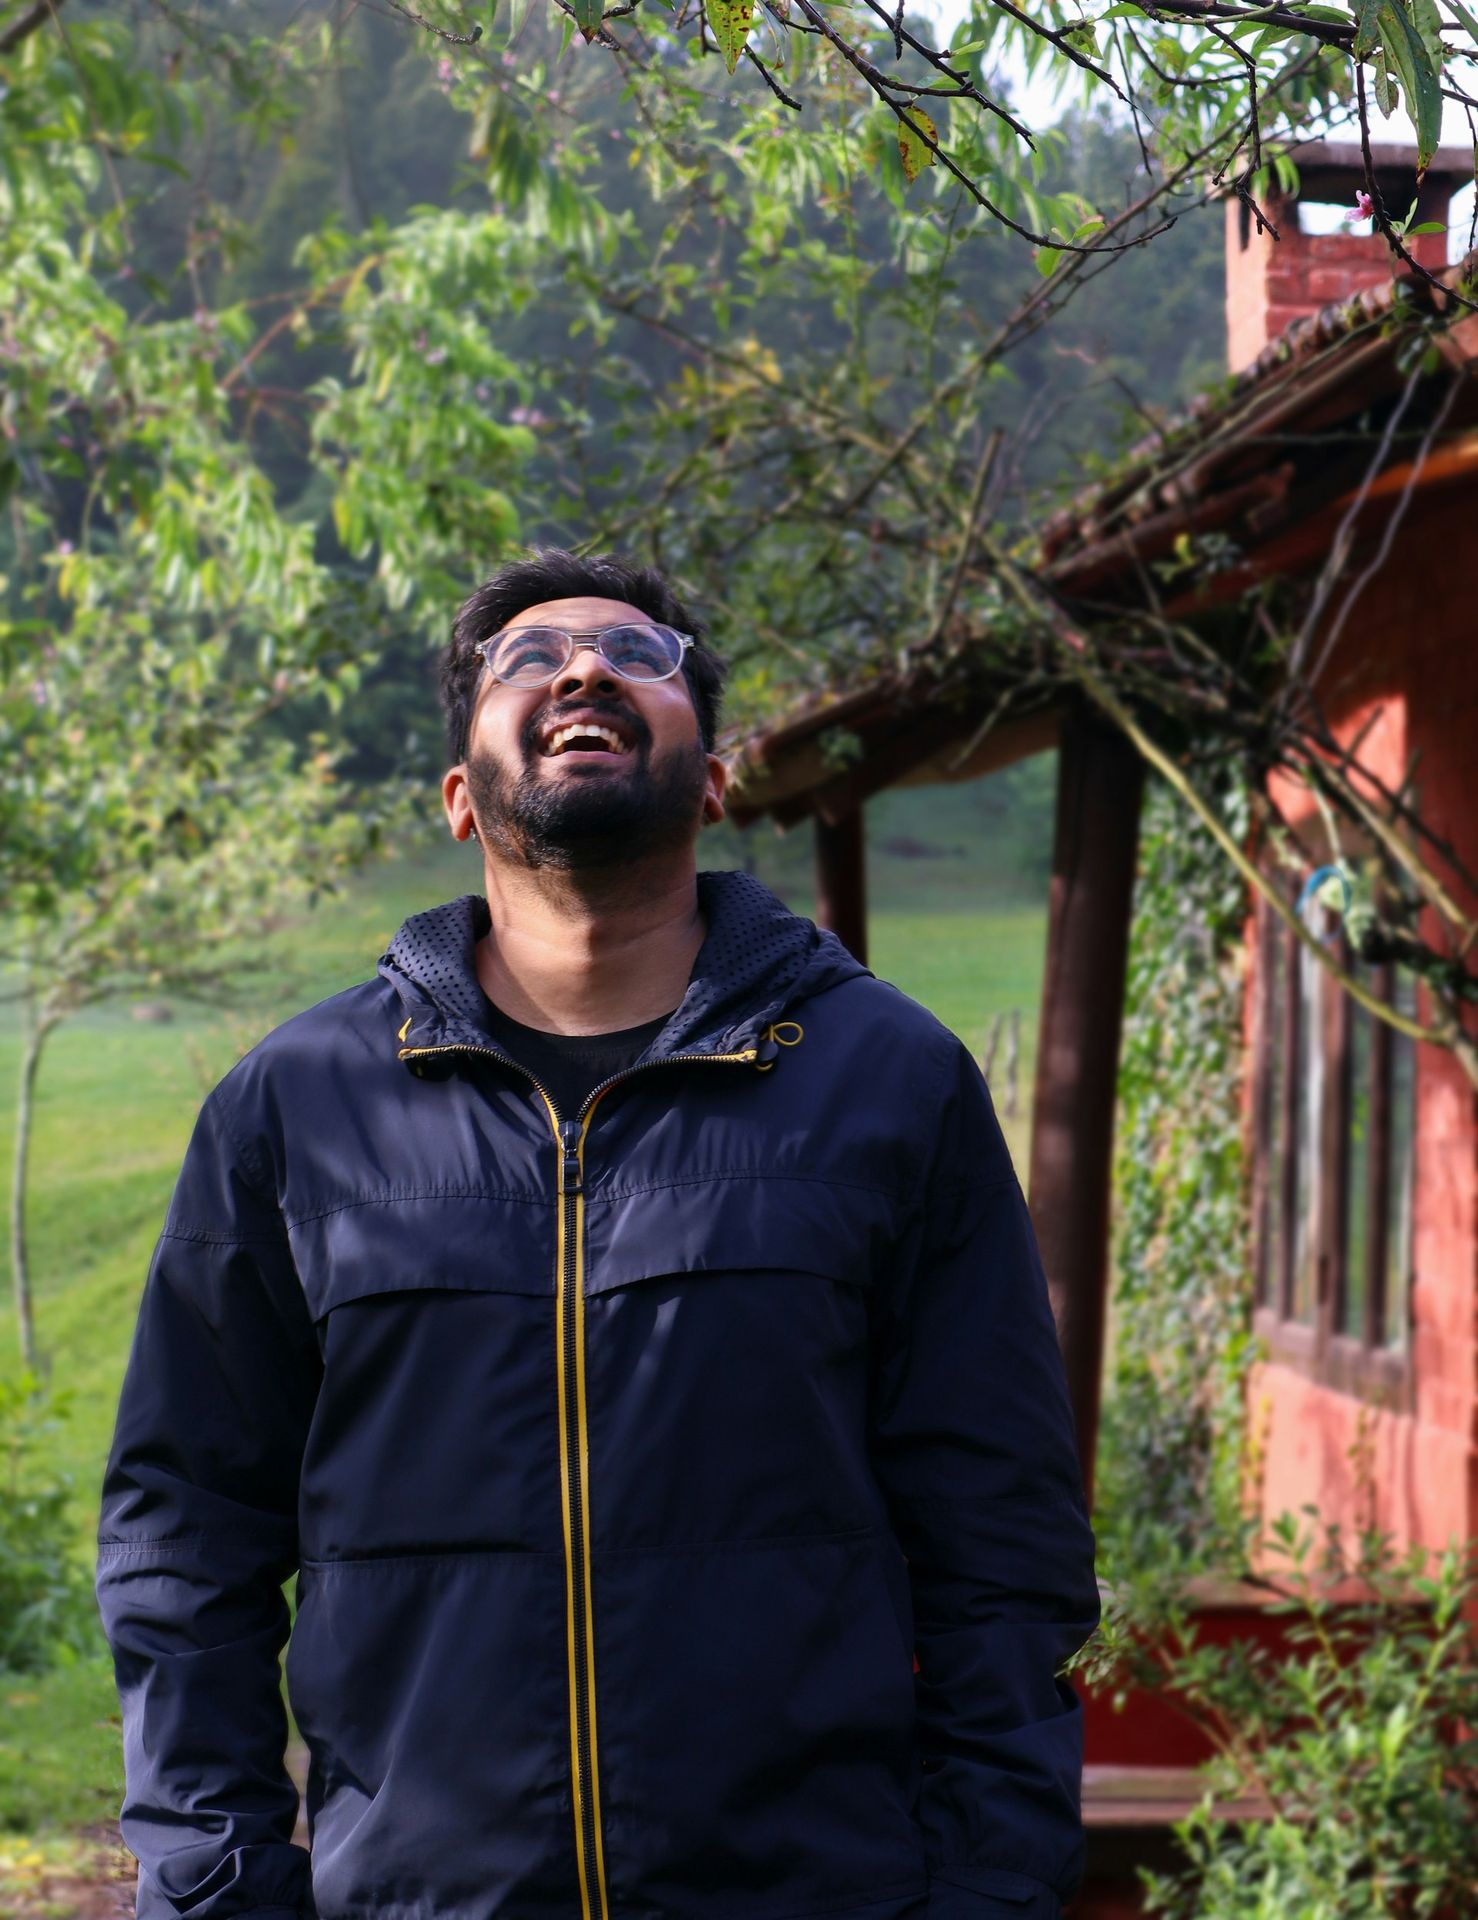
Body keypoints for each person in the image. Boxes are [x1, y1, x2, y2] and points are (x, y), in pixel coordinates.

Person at [95, 547, 1100, 1920]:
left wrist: (988, 1883)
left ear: (714, 779)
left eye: (638, 654)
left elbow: (1003, 1538)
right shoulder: (298, 1107)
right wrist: (219, 1887)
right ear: (459, 794)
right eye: (528, 658)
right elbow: (184, 1538)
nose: (582, 669)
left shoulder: (886, 1083)